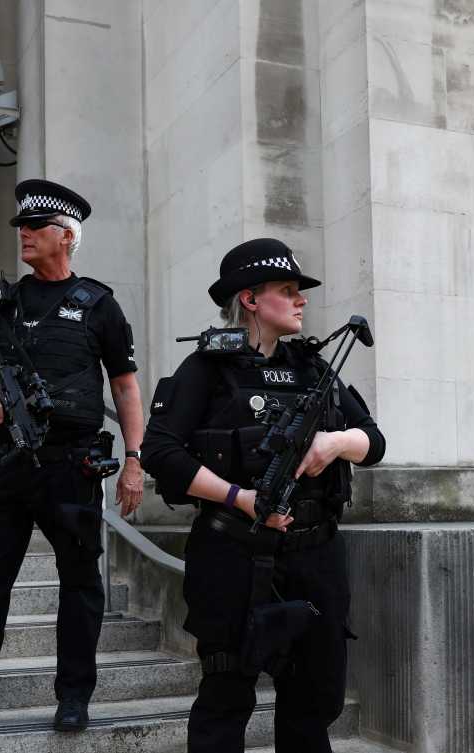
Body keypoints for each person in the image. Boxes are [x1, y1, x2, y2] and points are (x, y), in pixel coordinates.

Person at [0, 179, 145, 735]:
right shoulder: (2, 307)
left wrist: (135, 460)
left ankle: (73, 697)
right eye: (21, 226)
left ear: (65, 237)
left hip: (71, 465)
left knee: (80, 584)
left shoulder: (98, 306)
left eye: (35, 227)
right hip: (3, 463)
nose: (23, 234)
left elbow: (125, 388)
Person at [140, 238, 385, 753]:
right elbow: (160, 451)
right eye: (287, 290)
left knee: (312, 702)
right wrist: (240, 498)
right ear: (249, 299)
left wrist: (334, 442)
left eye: (300, 292)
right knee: (226, 697)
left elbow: (373, 442)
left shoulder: (313, 368)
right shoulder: (207, 368)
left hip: (315, 554)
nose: (301, 301)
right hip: (234, 553)